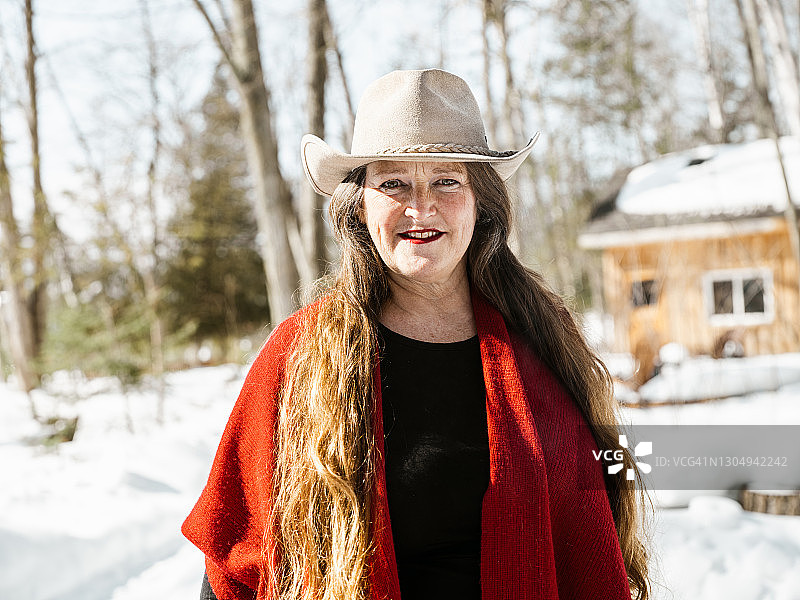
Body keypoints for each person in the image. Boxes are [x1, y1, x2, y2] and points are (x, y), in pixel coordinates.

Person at [183, 68, 650, 600]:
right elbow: (230, 564)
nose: (420, 206)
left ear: (481, 201)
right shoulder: (299, 358)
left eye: (446, 180)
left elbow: (590, 541)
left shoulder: (541, 344)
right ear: (360, 204)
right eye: (393, 182)